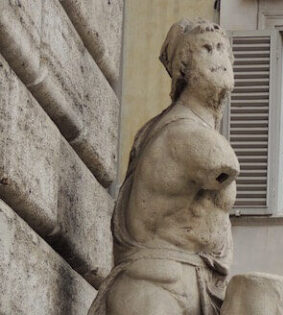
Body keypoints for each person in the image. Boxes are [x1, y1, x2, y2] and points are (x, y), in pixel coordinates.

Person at [88, 18, 239, 315]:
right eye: (207, 49)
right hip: (155, 289)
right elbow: (224, 163)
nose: (219, 58)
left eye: (222, 48)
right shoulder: (185, 134)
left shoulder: (164, 127)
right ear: (184, 69)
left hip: (197, 288)